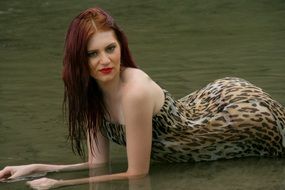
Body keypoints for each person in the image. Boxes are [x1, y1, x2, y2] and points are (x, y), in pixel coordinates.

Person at [0, 7, 285, 190]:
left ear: (120, 45)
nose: (105, 60)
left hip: (239, 117)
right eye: (92, 53)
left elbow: (136, 173)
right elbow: (98, 166)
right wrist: (36, 168)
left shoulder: (133, 92)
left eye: (110, 48)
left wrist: (60, 185)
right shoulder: (91, 97)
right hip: (212, 109)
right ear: (79, 60)